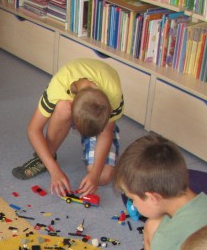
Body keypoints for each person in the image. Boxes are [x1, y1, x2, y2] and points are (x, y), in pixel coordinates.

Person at [12, 58, 124, 196]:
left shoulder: (113, 94)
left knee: (103, 177)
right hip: (67, 103)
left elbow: (106, 133)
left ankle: (88, 149)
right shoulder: (58, 87)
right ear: (72, 107)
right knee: (62, 107)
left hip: (99, 115)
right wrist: (54, 170)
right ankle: (47, 157)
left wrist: (95, 175)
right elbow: (33, 130)